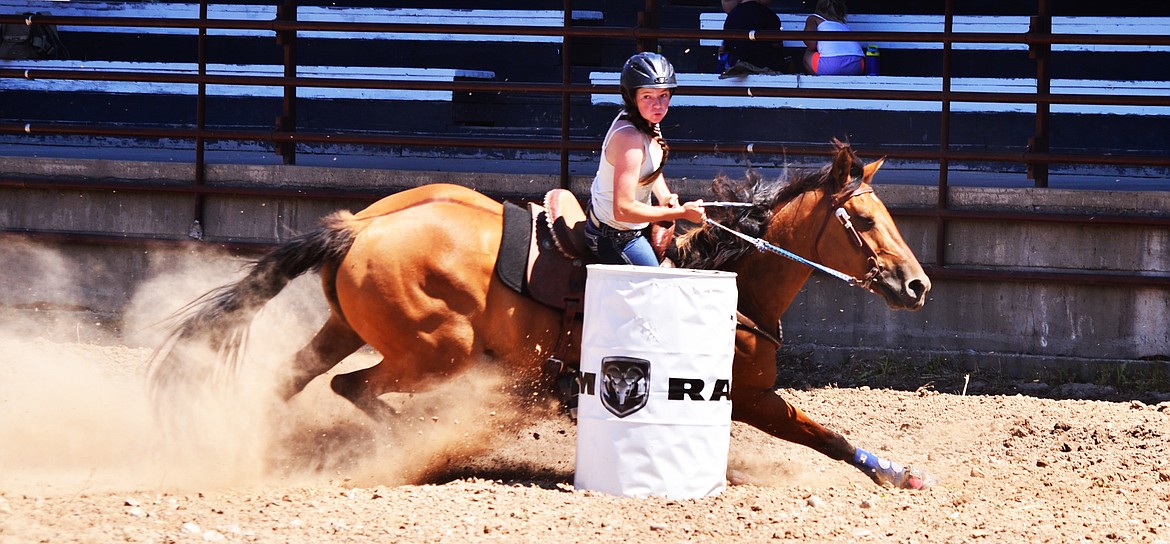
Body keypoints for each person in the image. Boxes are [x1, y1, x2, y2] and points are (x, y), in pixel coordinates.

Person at [585, 52, 706, 267]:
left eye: (663, 96)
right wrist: (681, 213)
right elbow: (622, 208)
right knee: (657, 286)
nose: (657, 105)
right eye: (647, 96)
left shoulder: (647, 121)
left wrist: (664, 195)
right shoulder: (629, 138)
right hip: (616, 236)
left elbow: (649, 164)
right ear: (632, 97)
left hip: (629, 226)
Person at [718, 0, 786, 73]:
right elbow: (776, 44)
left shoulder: (731, 16)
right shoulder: (768, 14)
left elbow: (727, 47)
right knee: (787, 62)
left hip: (736, 63)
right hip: (764, 64)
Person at [802, 0, 865, 75]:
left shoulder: (814, 18)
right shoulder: (843, 25)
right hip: (858, 65)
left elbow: (810, 42)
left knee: (808, 53)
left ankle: (818, 83)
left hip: (831, 65)